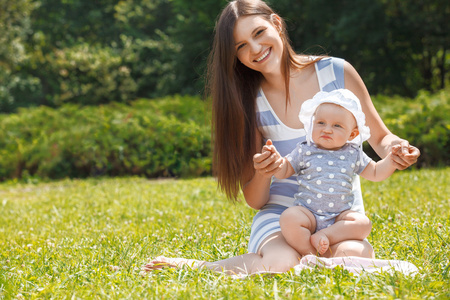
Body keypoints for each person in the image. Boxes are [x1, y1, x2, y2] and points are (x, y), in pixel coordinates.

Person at [143, 0, 420, 275]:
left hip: (340, 220)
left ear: (276, 23)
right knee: (282, 264)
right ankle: (200, 268)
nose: (254, 49)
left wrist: (398, 149)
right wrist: (265, 171)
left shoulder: (336, 73)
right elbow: (255, 199)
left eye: (258, 33)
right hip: (283, 217)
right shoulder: (250, 102)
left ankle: (315, 261)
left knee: (352, 256)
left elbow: (381, 138)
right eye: (240, 46)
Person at [266, 88, 400, 257]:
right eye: (320, 123)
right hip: (308, 214)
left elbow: (375, 172)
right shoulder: (305, 150)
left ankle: (326, 237)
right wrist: (277, 162)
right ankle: (310, 254)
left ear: (352, 134)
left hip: (339, 219)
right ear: (311, 124)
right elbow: (284, 171)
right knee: (289, 218)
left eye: (337, 125)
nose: (327, 129)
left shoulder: (353, 153)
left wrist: (391, 160)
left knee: (363, 223)